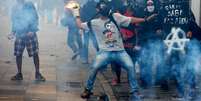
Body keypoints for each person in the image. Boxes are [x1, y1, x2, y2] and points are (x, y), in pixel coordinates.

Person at [68, 1, 157, 100]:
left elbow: (130, 19)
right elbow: (80, 25)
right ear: (98, 10)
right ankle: (88, 89)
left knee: (130, 67)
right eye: (101, 8)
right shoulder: (94, 22)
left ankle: (134, 91)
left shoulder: (116, 16)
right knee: (94, 68)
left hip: (120, 51)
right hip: (104, 52)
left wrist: (145, 20)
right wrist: (76, 14)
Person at [157, 0, 195, 99]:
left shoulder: (185, 7)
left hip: (181, 41)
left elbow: (191, 20)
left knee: (180, 63)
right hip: (168, 40)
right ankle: (165, 82)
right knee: (166, 62)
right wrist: (158, 29)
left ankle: (181, 88)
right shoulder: (163, 7)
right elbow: (159, 20)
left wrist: (190, 29)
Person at [9, 0, 45, 81]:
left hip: (30, 34)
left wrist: (33, 30)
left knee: (35, 54)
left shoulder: (29, 5)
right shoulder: (14, 7)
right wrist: (12, 32)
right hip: (19, 34)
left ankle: (37, 73)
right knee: (18, 54)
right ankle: (19, 74)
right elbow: (14, 21)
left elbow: (35, 17)